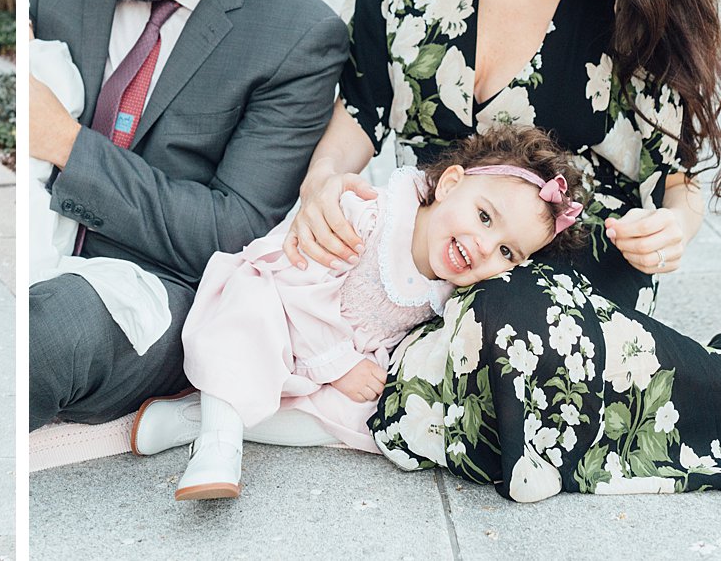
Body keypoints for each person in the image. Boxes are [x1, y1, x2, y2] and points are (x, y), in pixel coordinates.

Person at [284, 0, 721, 502]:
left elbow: (678, 176)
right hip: (433, 252)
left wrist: (674, 227)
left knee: (498, 331)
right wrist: (321, 182)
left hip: (566, 268)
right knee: (353, 328)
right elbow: (361, 103)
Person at [29, 0, 349, 431]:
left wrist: (68, 145)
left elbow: (232, 232)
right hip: (34, 224)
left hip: (154, 287)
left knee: (34, 338)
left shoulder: (297, 36)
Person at [136, 125, 587, 501]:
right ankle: (216, 447)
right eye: (485, 217)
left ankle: (199, 420)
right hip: (284, 312)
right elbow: (297, 283)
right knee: (249, 312)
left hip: (328, 363)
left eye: (507, 251)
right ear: (450, 184)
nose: (484, 246)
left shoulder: (452, 289)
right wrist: (339, 363)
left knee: (367, 417)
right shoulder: (373, 215)